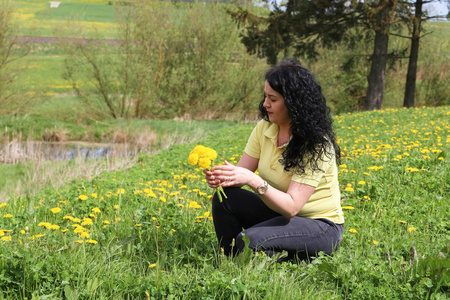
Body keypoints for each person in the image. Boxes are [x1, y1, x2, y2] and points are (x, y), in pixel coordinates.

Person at [203, 58, 344, 261]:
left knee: (248, 240)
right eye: (265, 97)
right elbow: (240, 174)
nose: (265, 104)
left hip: (319, 225)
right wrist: (221, 177)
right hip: (280, 215)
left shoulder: (316, 144)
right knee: (225, 197)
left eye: (273, 99)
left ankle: (263, 254)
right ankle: (230, 258)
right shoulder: (264, 128)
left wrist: (254, 181)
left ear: (294, 103)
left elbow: (292, 206)